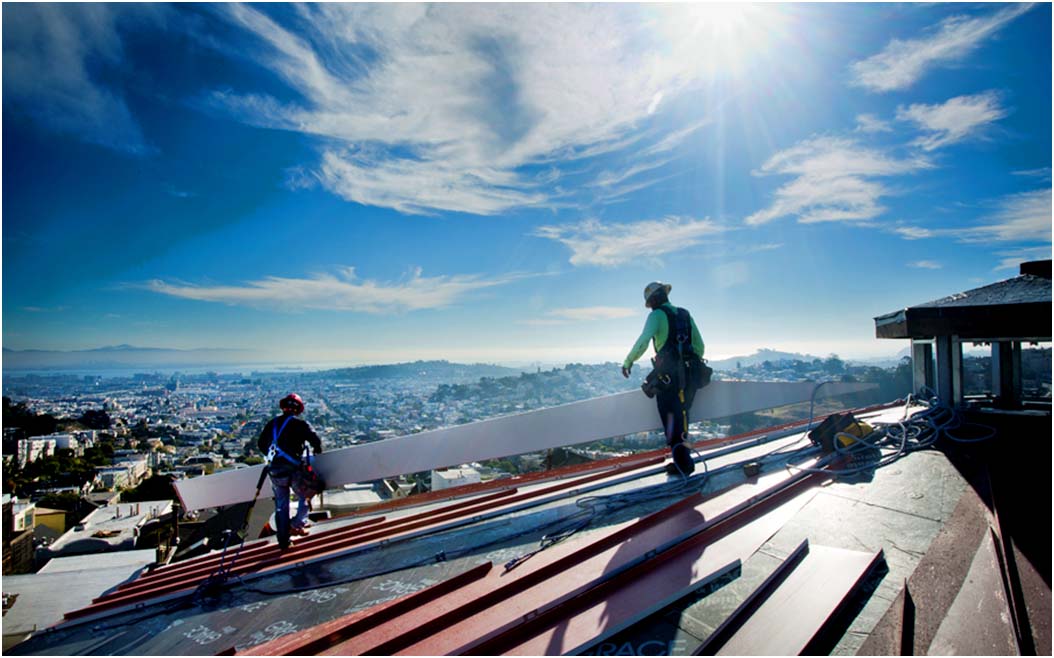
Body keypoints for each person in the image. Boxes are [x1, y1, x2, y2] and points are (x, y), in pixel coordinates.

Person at [622, 282, 705, 476]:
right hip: (690, 376)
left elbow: (643, 341)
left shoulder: (656, 316)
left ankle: (683, 464)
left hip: (669, 378)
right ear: (665, 295)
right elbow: (700, 347)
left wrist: (628, 361)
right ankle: (683, 461)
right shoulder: (685, 314)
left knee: (672, 419)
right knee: (683, 417)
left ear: (651, 301)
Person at [257, 393, 322, 550]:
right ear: (298, 409)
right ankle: (297, 524)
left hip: (275, 471)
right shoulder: (300, 424)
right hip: (293, 469)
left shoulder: (272, 424)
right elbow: (315, 440)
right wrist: (317, 449)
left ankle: (284, 541)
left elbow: (261, 444)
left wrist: (272, 455)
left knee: (281, 505)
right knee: (307, 494)